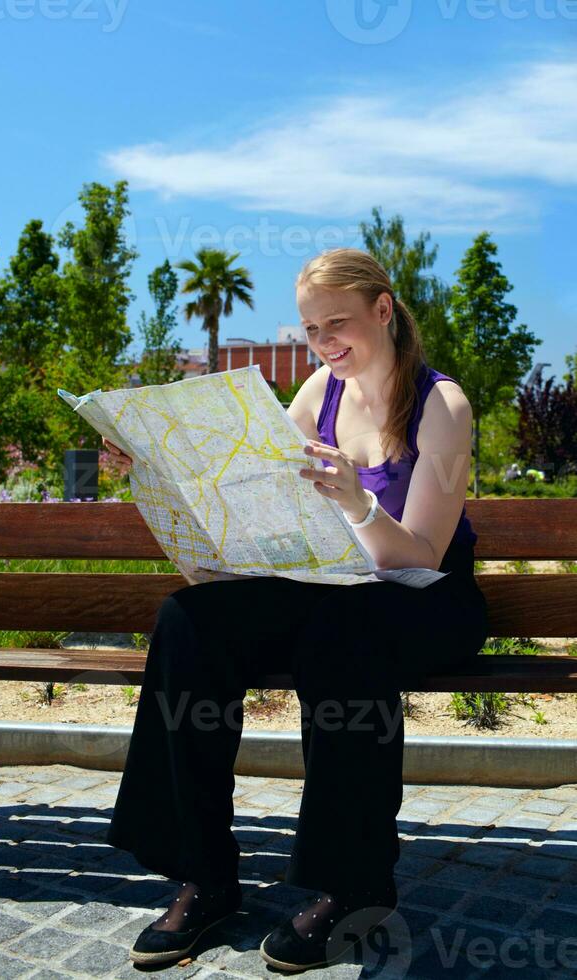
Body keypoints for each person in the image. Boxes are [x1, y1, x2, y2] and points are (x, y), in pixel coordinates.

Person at [102, 247, 489, 972]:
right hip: (334, 591)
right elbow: (261, 496)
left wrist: (356, 499)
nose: (324, 343)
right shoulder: (318, 392)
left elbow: (421, 559)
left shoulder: (441, 403)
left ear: (383, 309)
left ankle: (353, 886)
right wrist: (156, 474)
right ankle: (206, 875)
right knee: (189, 620)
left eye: (336, 323)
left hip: (425, 599)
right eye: (311, 330)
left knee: (344, 632)